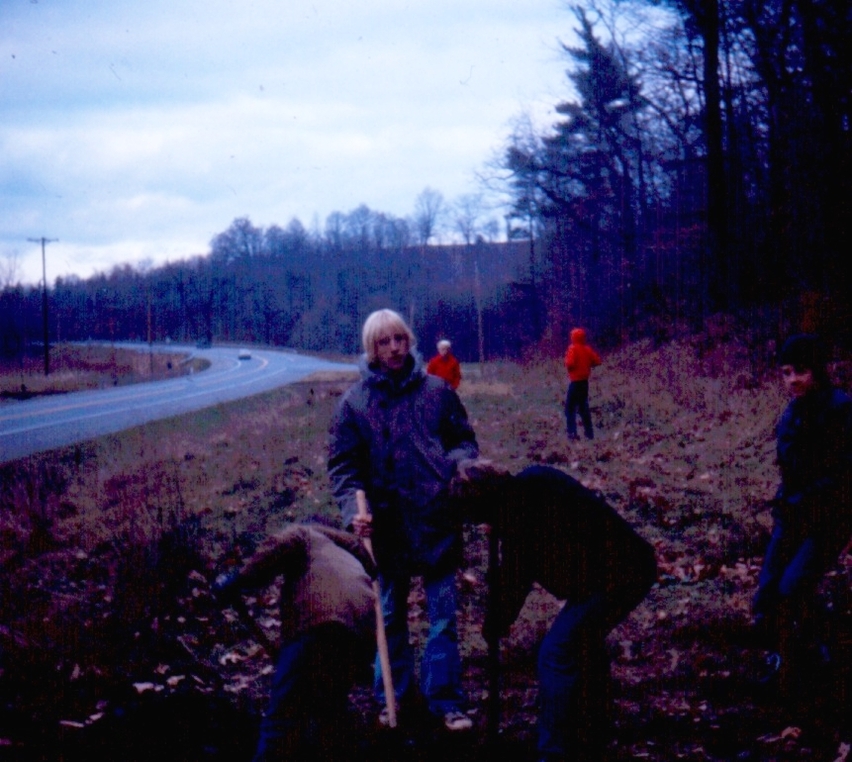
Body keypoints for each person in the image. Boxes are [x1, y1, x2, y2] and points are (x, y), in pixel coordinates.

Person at [328, 308, 480, 732]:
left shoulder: (437, 391)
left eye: (400, 339)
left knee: (444, 618)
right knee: (389, 617)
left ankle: (445, 701)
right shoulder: (354, 404)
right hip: (386, 530)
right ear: (371, 349)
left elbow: (464, 441)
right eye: (383, 342)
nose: (394, 348)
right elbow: (342, 467)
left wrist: (451, 468)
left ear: (410, 341)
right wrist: (352, 511)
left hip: (436, 521)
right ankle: (391, 698)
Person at [456, 463, 657, 762]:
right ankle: (592, 734)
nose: (481, 524)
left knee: (556, 653)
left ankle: (554, 750)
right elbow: (518, 569)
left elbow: (516, 575)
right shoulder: (529, 486)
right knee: (584, 644)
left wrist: (496, 621)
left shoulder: (521, 506)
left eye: (479, 515)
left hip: (619, 573)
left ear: (487, 500)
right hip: (616, 570)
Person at [212, 522, 377, 761]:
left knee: (281, 717)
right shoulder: (350, 555)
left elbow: (278, 547)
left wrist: (237, 580)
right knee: (328, 712)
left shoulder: (307, 533)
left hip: (321, 619)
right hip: (359, 633)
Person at [752, 334, 852, 697]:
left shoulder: (840, 409)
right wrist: (784, 506)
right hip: (792, 516)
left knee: (793, 588)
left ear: (818, 370)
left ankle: (825, 649)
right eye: (786, 372)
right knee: (767, 594)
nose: (793, 380)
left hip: (828, 520)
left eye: (801, 371)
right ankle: (785, 660)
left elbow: (842, 475)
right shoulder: (791, 412)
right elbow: (789, 469)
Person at [564, 327, 601, 440]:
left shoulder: (572, 348)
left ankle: (572, 433)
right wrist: (587, 366)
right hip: (585, 383)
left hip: (575, 383)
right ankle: (589, 434)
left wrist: (568, 365)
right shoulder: (587, 349)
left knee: (569, 408)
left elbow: (569, 364)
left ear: (573, 337)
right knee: (583, 408)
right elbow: (597, 361)